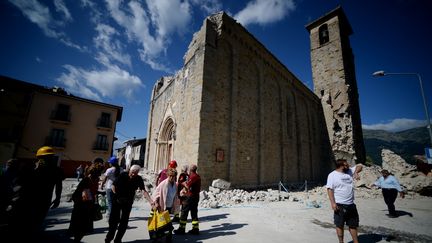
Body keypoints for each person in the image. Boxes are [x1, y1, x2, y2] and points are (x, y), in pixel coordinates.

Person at [105, 165, 153, 243]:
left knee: (124, 222)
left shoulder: (138, 179)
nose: (133, 174)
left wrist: (151, 201)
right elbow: (113, 186)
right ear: (130, 170)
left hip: (128, 202)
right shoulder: (123, 175)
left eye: (136, 173)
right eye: (132, 172)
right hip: (117, 201)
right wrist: (117, 195)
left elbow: (143, 190)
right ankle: (109, 238)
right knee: (114, 220)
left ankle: (118, 239)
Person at [326, 159, 362, 243]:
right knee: (339, 225)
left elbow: (360, 165)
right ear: (342, 166)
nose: (349, 166)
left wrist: (356, 172)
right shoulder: (332, 175)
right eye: (346, 164)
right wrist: (333, 203)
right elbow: (330, 189)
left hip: (351, 204)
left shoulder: (349, 171)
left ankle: (356, 242)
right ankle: (341, 242)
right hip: (340, 205)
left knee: (353, 225)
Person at [69, 163, 102, 242]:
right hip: (82, 207)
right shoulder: (86, 180)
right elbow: (82, 195)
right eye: (99, 172)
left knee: (84, 229)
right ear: (93, 172)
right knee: (80, 228)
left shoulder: (95, 179)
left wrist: (99, 193)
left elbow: (92, 192)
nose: (100, 174)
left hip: (88, 206)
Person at [174, 164, 201, 235]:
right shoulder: (197, 176)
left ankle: (181, 229)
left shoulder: (193, 176)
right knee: (194, 212)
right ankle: (195, 229)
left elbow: (187, 185)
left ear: (191, 170)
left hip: (190, 197)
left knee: (184, 212)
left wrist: (182, 183)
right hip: (196, 196)